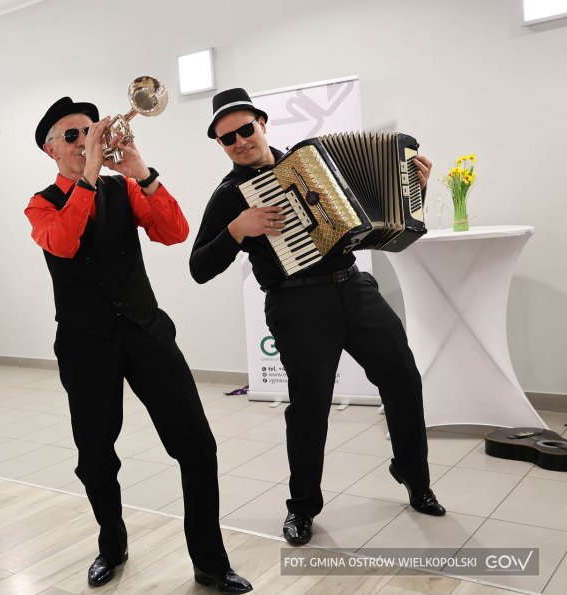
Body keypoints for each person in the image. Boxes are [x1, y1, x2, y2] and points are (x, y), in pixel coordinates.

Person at [190, 88, 446, 546]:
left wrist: (414, 189)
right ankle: (303, 506)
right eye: (228, 138)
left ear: (262, 123)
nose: (240, 142)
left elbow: (372, 221)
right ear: (220, 145)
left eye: (246, 129)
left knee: (404, 379)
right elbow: (199, 268)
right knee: (310, 408)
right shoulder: (230, 196)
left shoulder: (313, 163)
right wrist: (236, 230)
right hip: (296, 305)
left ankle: (414, 477)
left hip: (353, 287)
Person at [25, 97, 252, 592]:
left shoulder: (124, 187)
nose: (85, 140)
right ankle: (112, 545)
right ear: (50, 149)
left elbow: (174, 232)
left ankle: (210, 562)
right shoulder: (41, 204)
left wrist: (141, 172)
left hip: (146, 330)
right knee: (96, 458)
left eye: (90, 130)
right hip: (85, 343)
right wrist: (89, 175)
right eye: (72, 135)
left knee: (197, 445)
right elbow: (64, 242)